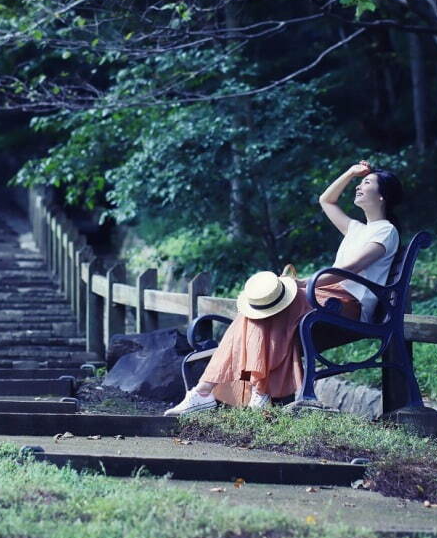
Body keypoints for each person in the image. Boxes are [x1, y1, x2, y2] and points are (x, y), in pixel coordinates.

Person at [164, 160, 403, 415]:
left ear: (382, 197)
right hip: (322, 295)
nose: (358, 187)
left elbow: (350, 269)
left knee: (276, 304)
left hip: (347, 305)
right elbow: (326, 200)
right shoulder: (356, 228)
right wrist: (350, 172)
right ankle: (211, 391)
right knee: (257, 307)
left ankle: (251, 390)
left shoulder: (386, 231)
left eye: (366, 183)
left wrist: (302, 283)